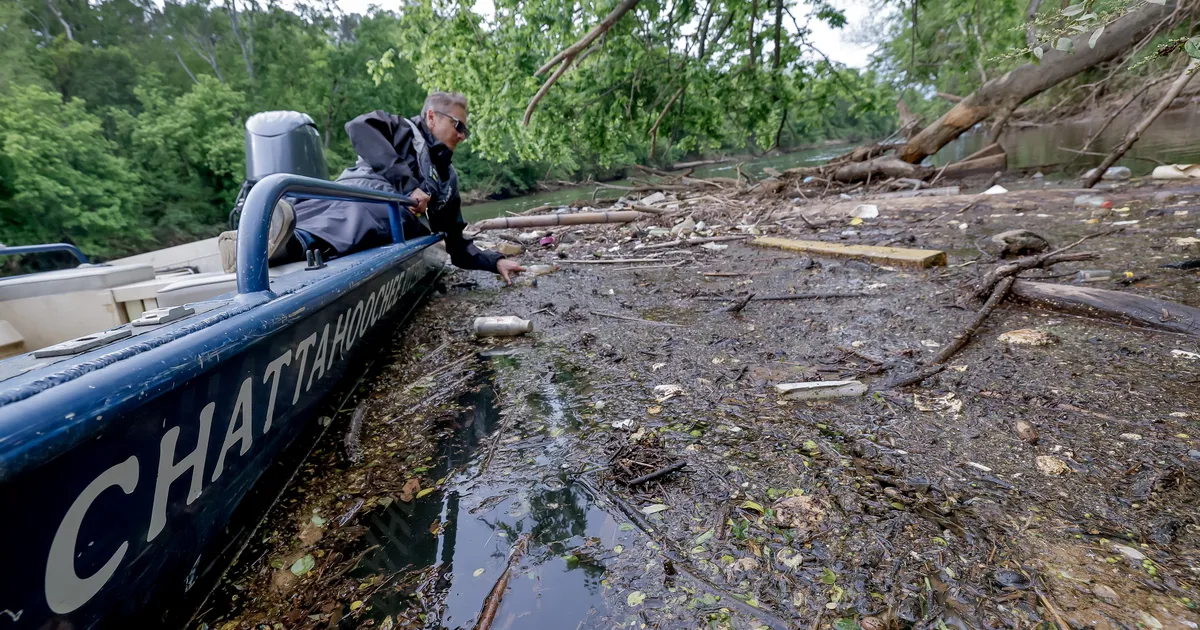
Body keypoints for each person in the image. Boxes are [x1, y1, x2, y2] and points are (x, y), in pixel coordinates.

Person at [218, 92, 525, 285]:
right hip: (350, 192)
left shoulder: (446, 181)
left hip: (380, 212)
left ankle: (281, 243)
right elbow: (358, 128)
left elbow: (456, 245)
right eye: (459, 125)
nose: (463, 135)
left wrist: (495, 260)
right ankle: (260, 238)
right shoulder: (400, 129)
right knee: (324, 208)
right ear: (432, 117)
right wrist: (409, 185)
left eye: (465, 130)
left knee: (374, 216)